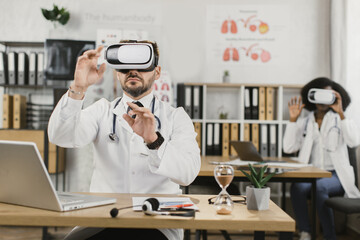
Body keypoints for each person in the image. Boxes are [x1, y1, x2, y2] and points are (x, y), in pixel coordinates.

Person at [48, 40, 201, 240]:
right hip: (103, 221)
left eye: (142, 63)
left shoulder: (175, 117)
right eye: (126, 65)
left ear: (157, 71)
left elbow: (187, 173)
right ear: (117, 72)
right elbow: (60, 136)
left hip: (157, 223)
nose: (133, 70)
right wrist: (78, 86)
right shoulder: (101, 110)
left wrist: (153, 140)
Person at [283, 77, 360, 240]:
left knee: (319, 187)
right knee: (297, 187)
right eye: (318, 95)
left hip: (335, 175)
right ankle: (305, 232)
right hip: (311, 173)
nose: (322, 100)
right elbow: (288, 148)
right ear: (311, 97)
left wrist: (341, 112)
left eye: (327, 95)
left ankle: (330, 236)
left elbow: (354, 141)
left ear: (334, 97)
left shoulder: (340, 120)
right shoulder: (305, 122)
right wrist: (293, 120)